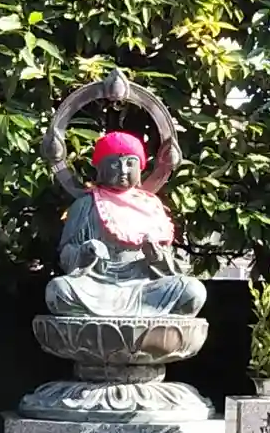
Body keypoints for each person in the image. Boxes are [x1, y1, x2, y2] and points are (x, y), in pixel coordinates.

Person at [45, 130, 208, 317]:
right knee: (58, 289)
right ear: (101, 168)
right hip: (98, 287)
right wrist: (85, 252)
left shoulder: (151, 205)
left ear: (140, 168)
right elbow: (66, 255)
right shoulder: (85, 205)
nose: (123, 171)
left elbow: (171, 264)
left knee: (193, 290)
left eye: (130, 164)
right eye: (115, 164)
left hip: (145, 287)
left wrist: (157, 257)